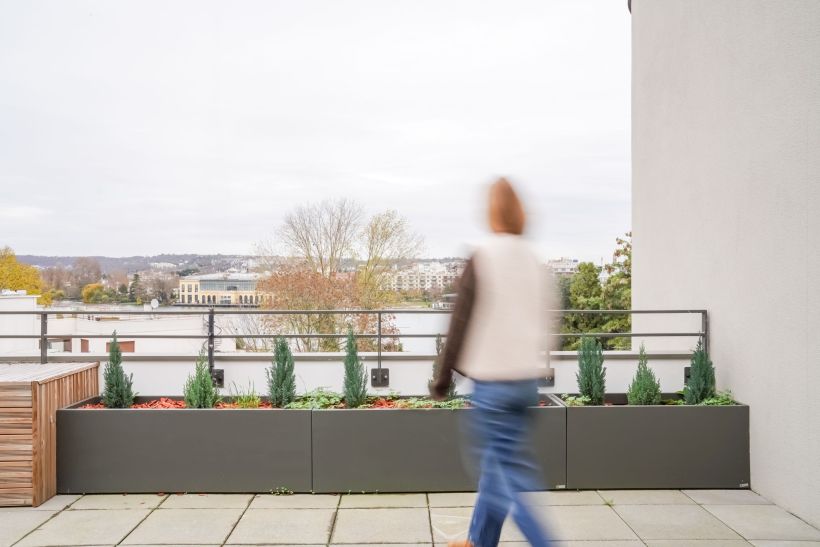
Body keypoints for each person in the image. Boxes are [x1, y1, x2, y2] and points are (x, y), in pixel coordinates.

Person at [431, 177, 553, 547]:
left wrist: (442, 379)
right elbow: (546, 320)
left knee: (508, 480)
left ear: (492, 212)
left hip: (494, 387)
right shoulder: (533, 260)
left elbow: (459, 324)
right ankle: (478, 542)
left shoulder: (484, 256)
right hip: (525, 383)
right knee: (496, 470)